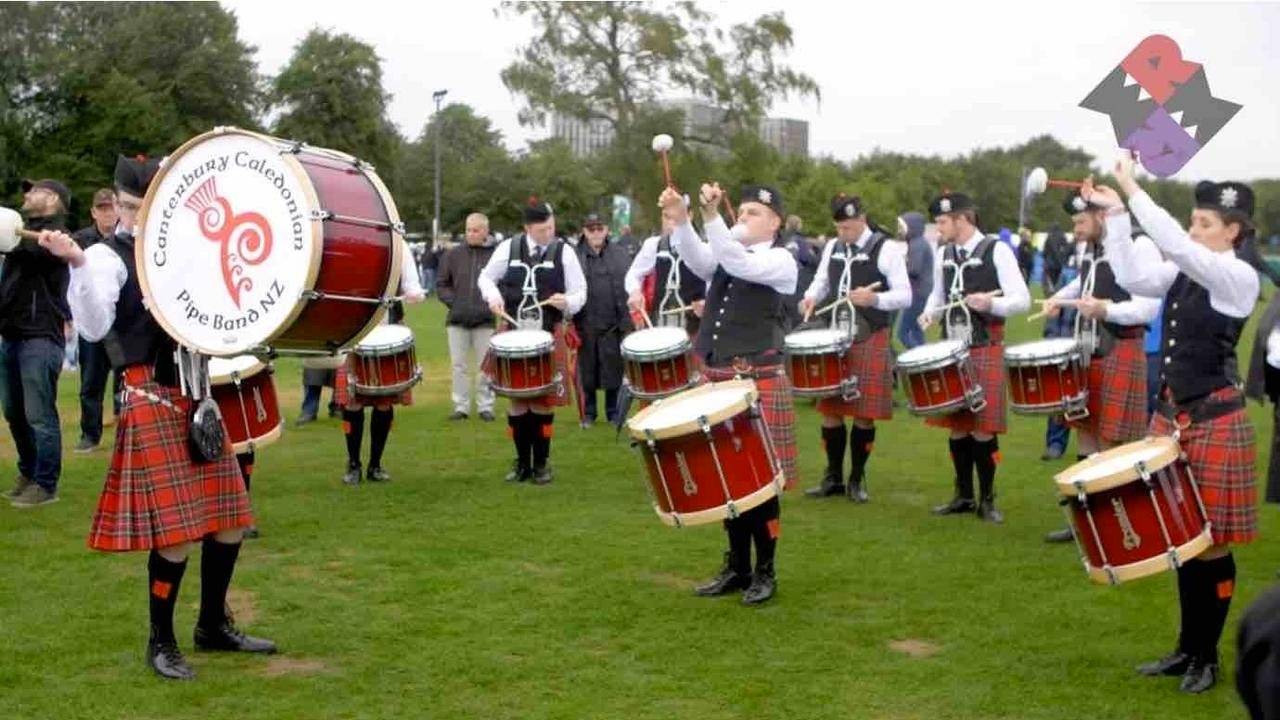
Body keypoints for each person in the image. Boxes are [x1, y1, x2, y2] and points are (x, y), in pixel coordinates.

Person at [47, 155, 275, 680]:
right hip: (150, 394)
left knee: (230, 522)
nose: (138, 217)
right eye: (130, 207)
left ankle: (212, 625)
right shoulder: (106, 257)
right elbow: (94, 326)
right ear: (117, 204)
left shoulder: (187, 250)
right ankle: (161, 641)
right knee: (175, 533)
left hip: (198, 392)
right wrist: (77, 265)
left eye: (148, 206)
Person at [1087, 154, 1259, 694]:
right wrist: (1118, 216)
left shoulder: (1237, 275)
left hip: (1215, 418)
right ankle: (1187, 648)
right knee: (1182, 538)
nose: (1193, 229)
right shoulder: (1186, 268)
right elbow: (1134, 277)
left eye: (1205, 222)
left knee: (1213, 544)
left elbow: (1180, 249)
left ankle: (1208, 656)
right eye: (1193, 220)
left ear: (1233, 231)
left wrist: (1132, 189)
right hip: (1175, 417)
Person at [663, 182, 798, 606]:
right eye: (739, 211)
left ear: (774, 223)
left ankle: (765, 570)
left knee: (761, 484)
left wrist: (710, 217)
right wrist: (682, 220)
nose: (743, 218)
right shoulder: (726, 254)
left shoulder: (781, 259)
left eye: (753, 213)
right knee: (727, 478)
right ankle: (738, 567)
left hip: (758, 379)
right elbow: (700, 258)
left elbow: (737, 261)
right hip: (720, 377)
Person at [1041, 189, 1160, 543]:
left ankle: (1116, 524)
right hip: (1086, 350)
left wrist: (1106, 310)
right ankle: (1086, 520)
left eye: (1080, 221)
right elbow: (1085, 281)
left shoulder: (1139, 245)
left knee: (1113, 441)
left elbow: (1148, 307)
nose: (1075, 229)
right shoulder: (1091, 247)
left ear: (1102, 215)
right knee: (1086, 432)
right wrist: (1058, 298)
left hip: (1119, 348)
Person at [920, 191, 1030, 523]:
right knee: (957, 426)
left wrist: (992, 303)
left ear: (962, 219)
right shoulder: (944, 252)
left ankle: (988, 499)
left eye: (942, 222)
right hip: (951, 350)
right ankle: (963, 495)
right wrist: (930, 312)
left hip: (984, 347)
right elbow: (937, 293)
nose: (938, 228)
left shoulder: (997, 250)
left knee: (983, 427)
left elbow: (1022, 299)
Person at [800, 194, 911, 503]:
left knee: (864, 413)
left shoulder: (885, 248)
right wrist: (810, 297)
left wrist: (875, 299)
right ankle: (833, 477)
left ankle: (856, 479)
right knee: (830, 410)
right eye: (838, 228)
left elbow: (905, 295)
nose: (842, 233)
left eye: (847, 228)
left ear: (861, 220)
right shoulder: (833, 247)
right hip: (834, 337)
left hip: (869, 335)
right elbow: (822, 281)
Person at [478, 197, 587, 485]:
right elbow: (486, 278)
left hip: (548, 335)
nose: (548, 234)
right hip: (513, 336)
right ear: (527, 228)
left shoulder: (564, 252)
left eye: (551, 227)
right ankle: (521, 463)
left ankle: (541, 463)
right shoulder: (509, 248)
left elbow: (580, 292)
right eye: (542, 230)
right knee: (517, 402)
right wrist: (493, 297)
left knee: (541, 403)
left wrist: (567, 302)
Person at [1, 178, 72, 508]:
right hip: (12, 334)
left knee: (39, 415)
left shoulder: (56, 238)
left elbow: (29, 250)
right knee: (14, 412)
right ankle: (28, 473)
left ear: (53, 198)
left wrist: (13, 238)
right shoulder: (20, 230)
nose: (27, 194)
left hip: (40, 337)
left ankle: (46, 484)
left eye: (35, 190)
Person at [338, 240, 426, 485]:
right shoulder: (352, 242)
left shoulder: (398, 244)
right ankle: (353, 464)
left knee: (384, 403)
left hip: (389, 332)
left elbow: (412, 284)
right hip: (356, 330)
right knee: (353, 401)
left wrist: (414, 292)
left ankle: (375, 465)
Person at [71, 188, 121, 452]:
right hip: (92, 320)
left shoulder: (128, 238)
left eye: (111, 207)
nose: (108, 213)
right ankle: (90, 435)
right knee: (91, 380)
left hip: (121, 322)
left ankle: (127, 432)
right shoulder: (80, 241)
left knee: (125, 379)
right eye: (102, 208)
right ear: (93, 212)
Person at [438, 212, 497, 422]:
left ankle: (485, 406)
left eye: (475, 230)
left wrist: (492, 303)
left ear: (485, 231)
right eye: (468, 230)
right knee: (458, 366)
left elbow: (503, 283)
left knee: (485, 366)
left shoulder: (495, 256)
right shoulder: (453, 255)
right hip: (457, 319)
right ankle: (461, 406)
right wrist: (455, 303)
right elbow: (442, 283)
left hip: (485, 320)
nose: (471, 234)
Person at [574, 213, 632, 426]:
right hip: (585, 323)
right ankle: (589, 413)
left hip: (613, 324)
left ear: (607, 230)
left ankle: (612, 412)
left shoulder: (620, 254)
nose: (596, 233)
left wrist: (627, 321)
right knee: (587, 371)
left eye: (600, 228)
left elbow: (629, 286)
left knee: (613, 370)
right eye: (591, 229)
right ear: (584, 231)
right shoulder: (575, 256)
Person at [625, 199, 706, 336]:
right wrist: (634, 292)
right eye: (666, 216)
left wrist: (708, 302)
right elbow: (633, 274)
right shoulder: (653, 245)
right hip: (661, 326)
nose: (670, 221)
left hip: (695, 328)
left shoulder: (705, 248)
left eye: (675, 216)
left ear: (689, 215)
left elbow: (718, 284)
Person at [897, 211, 932, 350]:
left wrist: (900, 267)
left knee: (903, 333)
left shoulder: (917, 244)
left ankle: (919, 358)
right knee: (917, 331)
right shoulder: (919, 242)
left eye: (902, 227)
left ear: (911, 227)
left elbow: (914, 270)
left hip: (917, 294)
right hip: (922, 292)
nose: (899, 231)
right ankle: (927, 357)